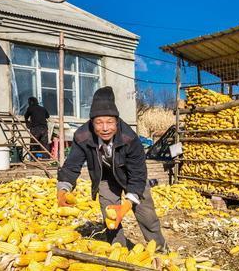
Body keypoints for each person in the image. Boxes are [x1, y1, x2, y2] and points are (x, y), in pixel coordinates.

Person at [57, 86, 166, 250]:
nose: (105, 128)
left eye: (109, 122)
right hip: (106, 178)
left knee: (147, 216)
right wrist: (63, 188)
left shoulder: (129, 138)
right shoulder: (82, 136)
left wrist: (127, 204)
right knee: (110, 216)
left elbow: (138, 173)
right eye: (99, 123)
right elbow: (72, 165)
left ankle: (161, 248)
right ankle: (118, 249)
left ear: (117, 121)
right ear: (92, 123)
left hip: (131, 178)